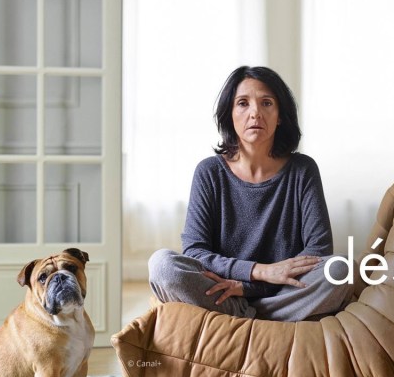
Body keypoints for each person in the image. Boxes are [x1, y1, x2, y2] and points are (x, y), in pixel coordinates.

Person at [148, 66, 352, 322]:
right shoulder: (209, 172)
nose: (255, 113)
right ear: (230, 114)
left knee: (341, 269)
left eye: (266, 103)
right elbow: (195, 252)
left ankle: (245, 318)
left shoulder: (303, 169)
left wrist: (248, 287)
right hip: (222, 291)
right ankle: (264, 319)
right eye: (243, 103)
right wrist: (259, 271)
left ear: (280, 115)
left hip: (279, 293)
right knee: (162, 266)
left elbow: (318, 249)